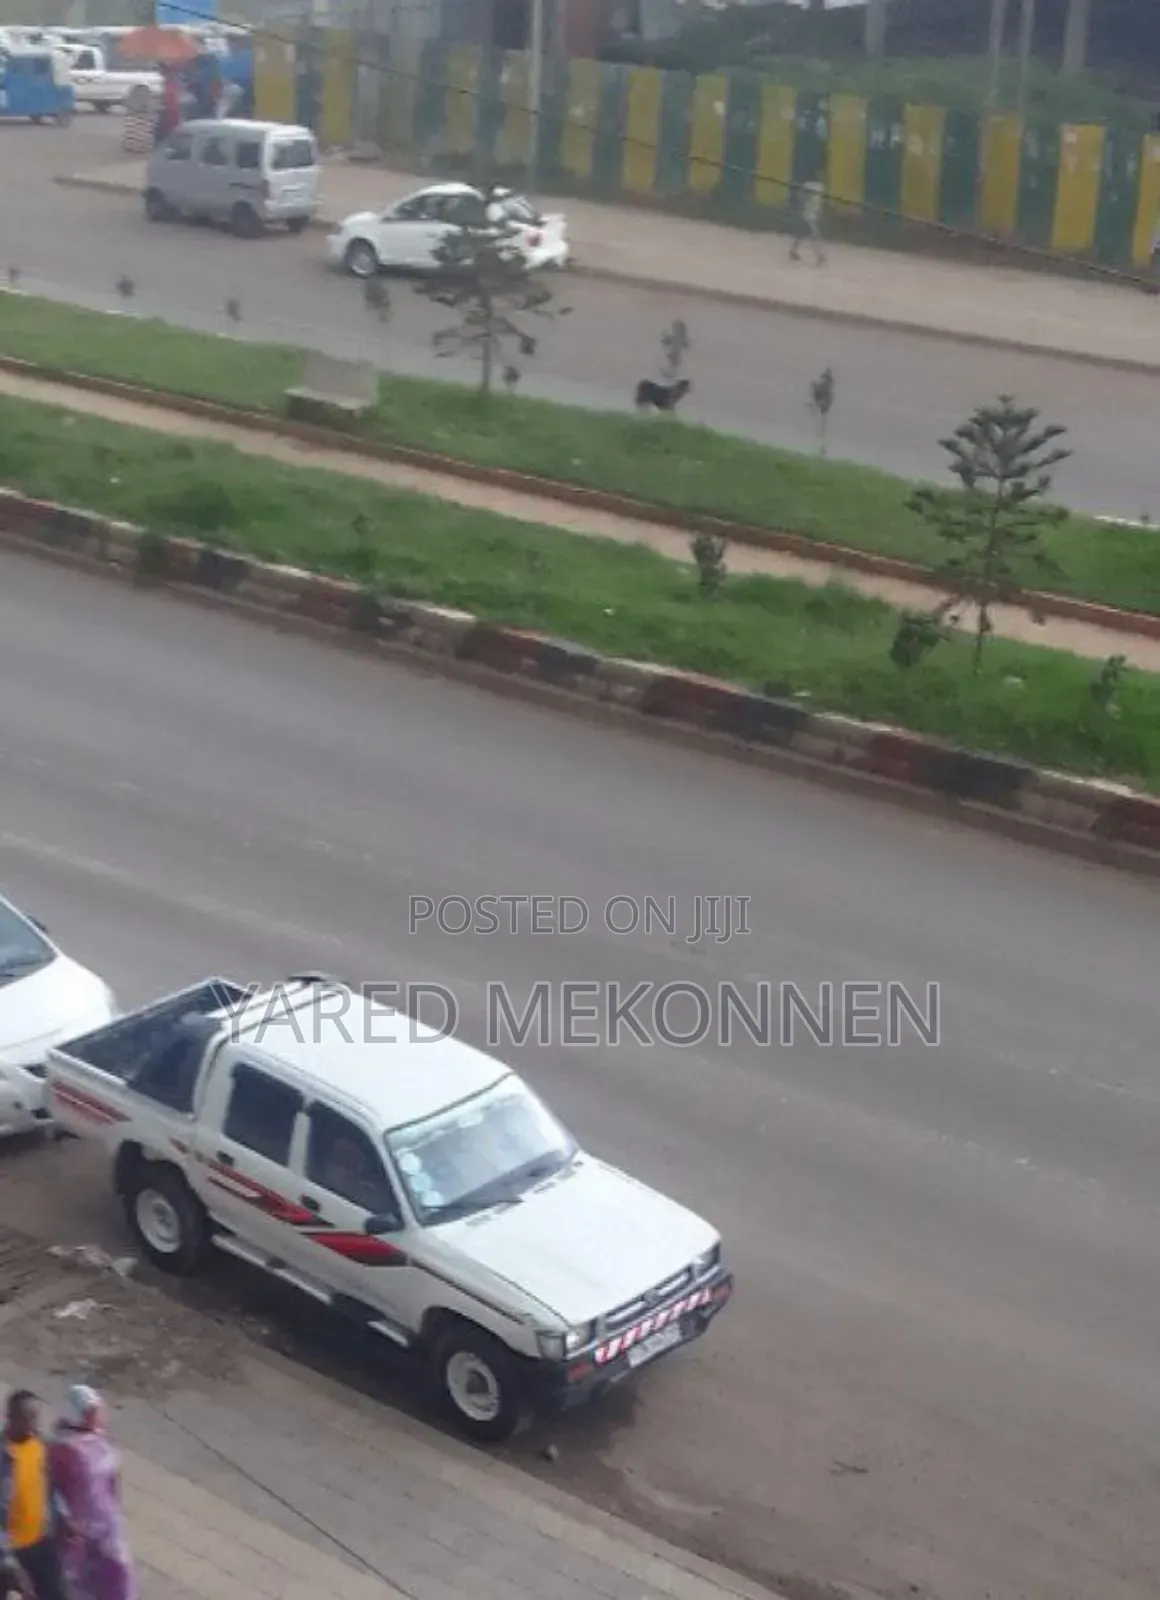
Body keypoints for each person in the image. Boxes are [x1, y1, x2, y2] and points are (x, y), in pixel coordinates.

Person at [49, 1387, 137, 1600]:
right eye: (93, 1410)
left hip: (107, 1528)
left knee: (119, 1579)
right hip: (78, 1532)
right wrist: (64, 1518)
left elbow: (112, 1478)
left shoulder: (101, 1439)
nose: (100, 1414)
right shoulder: (63, 1447)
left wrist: (115, 1508)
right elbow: (50, 1487)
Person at [0, 1393, 65, 1600]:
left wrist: (64, 1517)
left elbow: (50, 1489)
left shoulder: (42, 1445)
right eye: (26, 1417)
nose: (31, 1423)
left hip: (41, 1543)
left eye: (35, 1416)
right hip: (10, 1551)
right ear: (9, 1416)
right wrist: (8, 1561)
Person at [789, 176, 826, 266]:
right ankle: (820, 256)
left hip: (812, 214)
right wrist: (806, 198)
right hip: (809, 215)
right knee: (814, 236)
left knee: (801, 235)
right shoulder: (809, 185)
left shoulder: (820, 186)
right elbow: (802, 198)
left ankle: (793, 251)